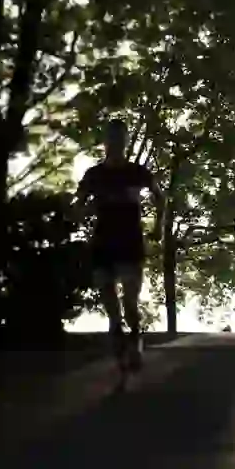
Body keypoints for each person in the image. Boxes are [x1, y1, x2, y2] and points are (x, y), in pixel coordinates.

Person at [73, 119, 165, 384]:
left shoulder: (138, 172)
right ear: (105, 142)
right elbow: (79, 204)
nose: (116, 143)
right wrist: (81, 213)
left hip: (130, 242)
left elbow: (160, 197)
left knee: (129, 302)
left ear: (125, 142)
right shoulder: (94, 175)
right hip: (103, 243)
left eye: (120, 138)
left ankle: (136, 337)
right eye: (111, 138)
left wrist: (158, 225)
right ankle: (120, 351)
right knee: (111, 305)